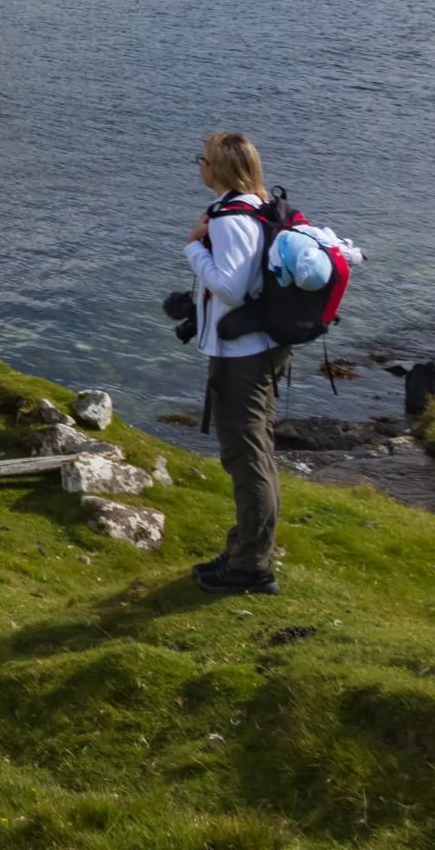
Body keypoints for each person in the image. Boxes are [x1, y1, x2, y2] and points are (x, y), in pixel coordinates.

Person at [186, 130, 285, 594]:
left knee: (246, 461)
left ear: (218, 169)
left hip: (240, 359)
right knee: (257, 455)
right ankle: (244, 551)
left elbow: (231, 288)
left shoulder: (228, 220)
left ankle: (252, 568)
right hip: (262, 349)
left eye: (202, 160)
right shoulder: (258, 205)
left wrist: (193, 248)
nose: (199, 166)